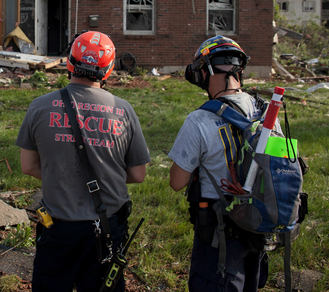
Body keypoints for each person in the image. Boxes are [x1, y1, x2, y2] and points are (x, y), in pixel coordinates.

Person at [17, 31, 151, 292]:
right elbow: (138, 174)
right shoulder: (123, 110)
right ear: (109, 69)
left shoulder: (39, 106)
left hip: (58, 228)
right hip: (108, 228)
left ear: (69, 63)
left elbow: (28, 166)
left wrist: (64, 176)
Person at [167, 36, 270, 292]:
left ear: (207, 70)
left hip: (219, 232)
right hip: (259, 225)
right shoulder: (268, 114)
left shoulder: (199, 120)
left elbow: (177, 183)